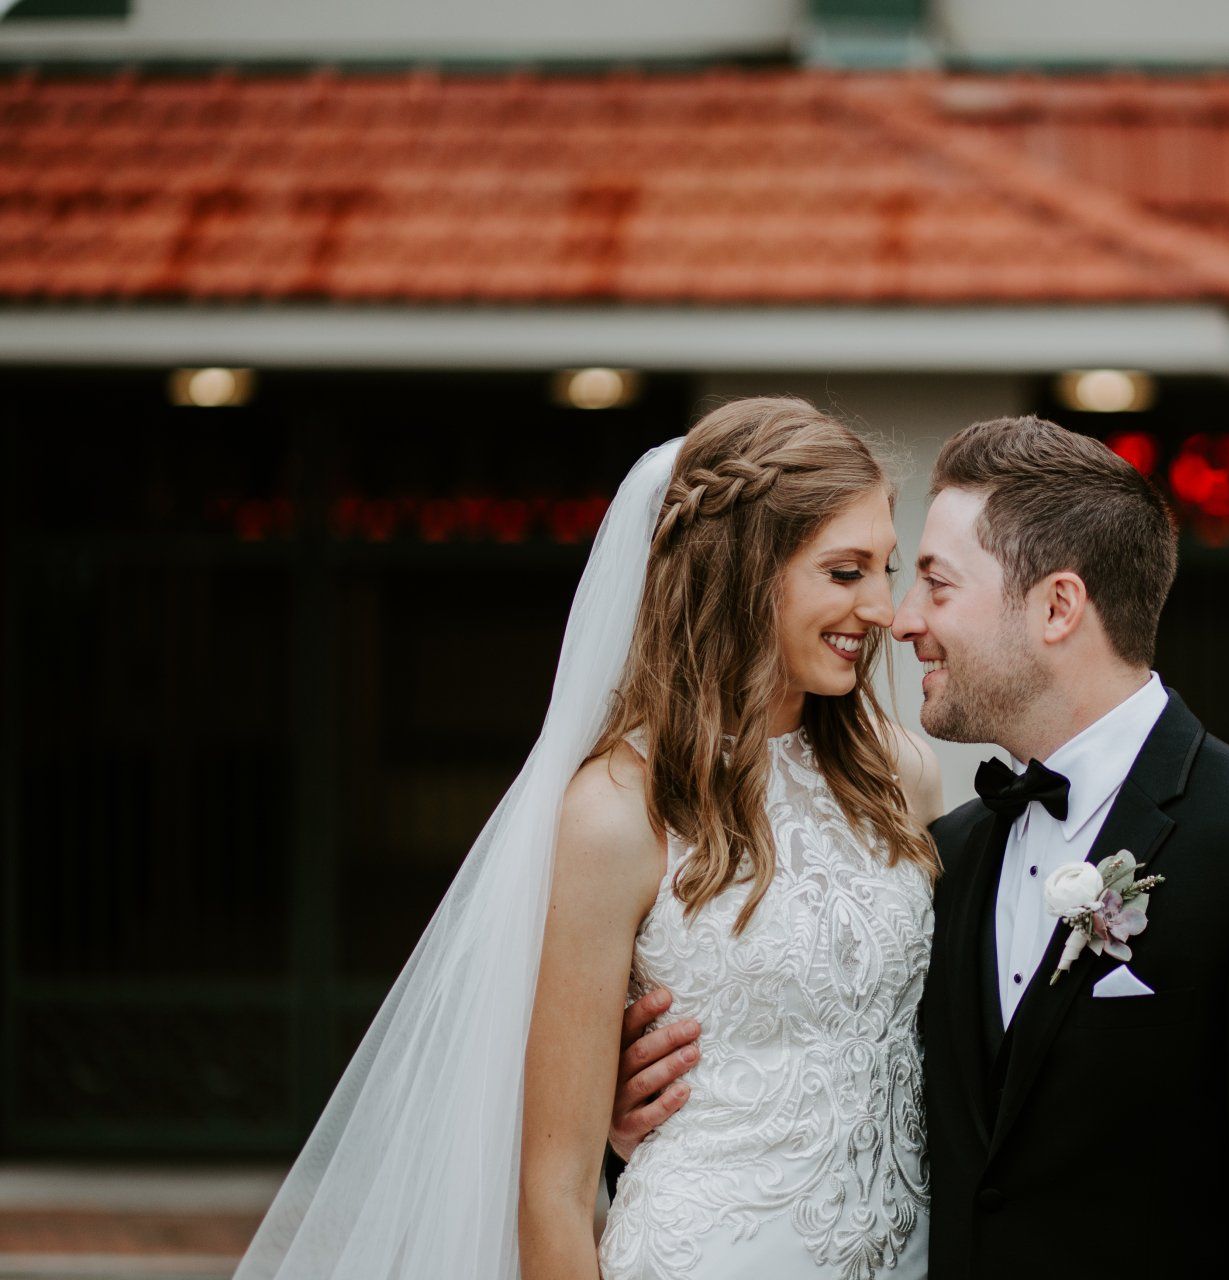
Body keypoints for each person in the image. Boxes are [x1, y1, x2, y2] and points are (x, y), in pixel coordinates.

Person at [610, 414, 1229, 1278]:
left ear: (1058, 606)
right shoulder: (944, 853)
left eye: (935, 585)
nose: (899, 620)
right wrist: (645, 1115)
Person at [234, 397, 943, 1280]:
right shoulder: (619, 813)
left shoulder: (897, 778)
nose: (881, 607)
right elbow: (555, 1192)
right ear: (743, 574)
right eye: (845, 573)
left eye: (886, 566)